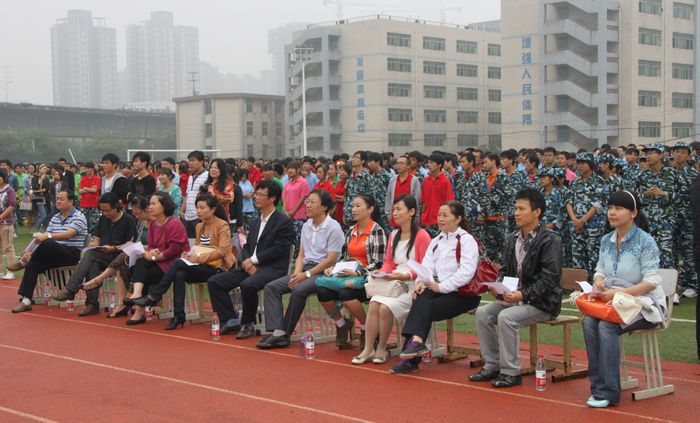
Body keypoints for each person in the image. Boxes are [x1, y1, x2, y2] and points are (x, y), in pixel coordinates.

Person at [470, 188, 562, 388]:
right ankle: (492, 365)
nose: (516, 213)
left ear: (536, 212)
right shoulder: (513, 238)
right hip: (515, 297)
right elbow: (505, 269)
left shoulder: (550, 239)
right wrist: (499, 285)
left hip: (543, 302)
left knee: (506, 317)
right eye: (515, 208)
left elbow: (550, 278)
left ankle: (511, 372)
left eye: (521, 209)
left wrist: (523, 294)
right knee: (483, 314)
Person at [582, 190, 667, 408]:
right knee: (589, 322)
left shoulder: (645, 241)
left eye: (619, 208)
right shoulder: (606, 240)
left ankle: (609, 392)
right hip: (614, 302)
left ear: (633, 213)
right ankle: (598, 387)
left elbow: (651, 281)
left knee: (606, 327)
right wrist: (598, 283)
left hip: (644, 304)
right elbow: (600, 270)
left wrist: (620, 294)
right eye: (610, 208)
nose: (612, 212)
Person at [391, 201, 480, 374]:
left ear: (458, 219)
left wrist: (441, 287)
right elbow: (426, 266)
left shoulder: (466, 240)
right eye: (439, 215)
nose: (440, 219)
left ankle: (411, 357)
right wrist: (420, 282)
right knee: (420, 295)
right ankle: (416, 343)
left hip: (463, 294)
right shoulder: (437, 240)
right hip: (440, 290)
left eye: (445, 215)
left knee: (423, 307)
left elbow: (466, 273)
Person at [257, 189, 345, 349]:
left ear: (324, 207)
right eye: (307, 201)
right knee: (271, 287)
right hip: (305, 269)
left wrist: (306, 274)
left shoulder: (333, 227)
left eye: (312, 202)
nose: (308, 205)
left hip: (324, 272)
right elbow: (301, 255)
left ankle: (284, 334)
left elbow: (331, 259)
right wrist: (297, 273)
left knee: (299, 290)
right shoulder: (306, 225)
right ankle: (278, 331)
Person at [207, 180, 293, 339]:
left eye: (261, 195)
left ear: (272, 198)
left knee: (248, 285)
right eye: (256, 194)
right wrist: (247, 261)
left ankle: (248, 323)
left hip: (272, 268)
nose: (256, 198)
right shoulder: (255, 221)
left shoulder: (284, 222)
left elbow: (279, 249)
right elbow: (247, 246)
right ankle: (230, 320)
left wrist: (253, 260)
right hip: (249, 266)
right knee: (215, 282)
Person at [133, 194, 235, 330]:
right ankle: (179, 315)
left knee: (178, 263)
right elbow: (198, 248)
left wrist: (198, 258)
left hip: (219, 267)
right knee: (179, 274)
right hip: (202, 266)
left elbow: (222, 251)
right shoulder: (199, 226)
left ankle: (155, 295)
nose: (198, 211)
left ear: (212, 209)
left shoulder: (222, 225)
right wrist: (189, 255)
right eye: (197, 208)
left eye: (202, 208)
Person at [353, 195, 431, 365]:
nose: (394, 213)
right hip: (394, 281)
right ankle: (368, 348)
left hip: (414, 284)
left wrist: (407, 275)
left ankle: (381, 347)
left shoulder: (422, 236)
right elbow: (389, 261)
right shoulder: (394, 234)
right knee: (374, 302)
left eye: (399, 209)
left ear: (411, 212)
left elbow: (425, 266)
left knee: (385, 308)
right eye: (394, 209)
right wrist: (382, 273)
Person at [315, 194, 386, 350]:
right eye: (353, 206)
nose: (353, 209)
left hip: (369, 279)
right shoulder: (350, 232)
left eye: (358, 206)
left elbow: (379, 263)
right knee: (321, 290)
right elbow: (344, 257)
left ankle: (367, 328)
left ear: (370, 209)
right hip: (347, 276)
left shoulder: (376, 231)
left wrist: (359, 273)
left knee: (346, 293)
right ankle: (342, 324)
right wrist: (334, 268)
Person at [51, 193, 137, 316]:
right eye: (102, 210)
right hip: (102, 254)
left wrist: (113, 248)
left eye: (107, 210)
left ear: (116, 207)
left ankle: (71, 290)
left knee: (91, 255)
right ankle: (91, 304)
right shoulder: (103, 219)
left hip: (121, 257)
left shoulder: (128, 220)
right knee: (92, 262)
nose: (105, 213)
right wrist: (95, 243)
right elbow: (97, 236)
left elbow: (131, 245)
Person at [11, 190, 88, 313]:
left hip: (70, 254)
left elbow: (69, 234)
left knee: (47, 241)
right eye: (57, 199)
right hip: (52, 253)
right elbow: (44, 237)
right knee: (33, 264)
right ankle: (26, 300)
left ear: (71, 202)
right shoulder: (55, 217)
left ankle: (23, 261)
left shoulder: (79, 216)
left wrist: (48, 236)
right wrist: (33, 247)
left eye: (61, 199)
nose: (58, 201)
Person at [123, 192, 189, 325]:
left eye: (153, 203)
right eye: (150, 204)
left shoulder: (174, 223)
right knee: (140, 263)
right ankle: (137, 295)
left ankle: (139, 310)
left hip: (173, 263)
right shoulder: (154, 224)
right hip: (158, 259)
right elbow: (151, 245)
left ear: (164, 205)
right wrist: (150, 253)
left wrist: (153, 256)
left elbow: (174, 250)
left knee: (144, 274)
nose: (150, 206)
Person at [566, 153, 606, 278]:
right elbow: (569, 201)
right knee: (577, 257)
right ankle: (578, 285)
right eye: (578, 163)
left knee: (593, 257)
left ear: (590, 164)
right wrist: (574, 219)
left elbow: (599, 204)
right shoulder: (575, 182)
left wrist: (583, 220)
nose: (580, 166)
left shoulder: (599, 181)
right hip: (576, 225)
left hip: (593, 225)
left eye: (583, 163)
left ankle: (594, 284)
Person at [420, 153, 455, 238]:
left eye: (432, 163)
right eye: (428, 162)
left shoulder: (445, 181)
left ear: (439, 165)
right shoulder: (426, 181)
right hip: (426, 220)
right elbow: (423, 201)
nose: (429, 165)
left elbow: (449, 202)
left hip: (439, 220)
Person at [385, 155, 421, 228]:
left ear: (408, 166)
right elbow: (388, 197)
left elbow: (416, 200)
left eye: (401, 163)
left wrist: (415, 216)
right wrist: (388, 213)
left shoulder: (414, 180)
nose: (399, 165)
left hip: (408, 219)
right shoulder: (393, 180)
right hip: (394, 217)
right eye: (397, 163)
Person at [282, 161, 310, 254]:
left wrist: (293, 211)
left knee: (299, 239)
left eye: (292, 169)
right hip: (287, 216)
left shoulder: (303, 182)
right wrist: (285, 209)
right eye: (288, 169)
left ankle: (299, 256)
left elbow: (303, 198)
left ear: (298, 170)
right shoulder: (287, 183)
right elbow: (284, 196)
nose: (289, 171)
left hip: (299, 216)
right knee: (289, 238)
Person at [180, 150, 209, 239]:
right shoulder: (190, 177)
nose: (190, 163)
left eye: (193, 160)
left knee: (202, 242)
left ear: (201, 162)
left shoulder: (207, 176)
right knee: (190, 242)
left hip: (199, 217)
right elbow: (188, 195)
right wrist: (181, 211)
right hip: (187, 217)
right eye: (189, 161)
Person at [343, 151, 370, 225]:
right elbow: (346, 196)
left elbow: (370, 198)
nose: (353, 159)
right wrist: (345, 213)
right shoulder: (350, 177)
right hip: (349, 214)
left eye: (356, 157)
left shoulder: (367, 177)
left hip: (361, 215)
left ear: (363, 161)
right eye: (353, 157)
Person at [0, 169, 17, 280]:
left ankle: (11, 270)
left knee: (8, 247)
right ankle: (0, 271)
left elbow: (11, 205)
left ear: (4, 178)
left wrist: (1, 216)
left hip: (6, 223)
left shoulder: (9, 190)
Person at [78, 162, 101, 234]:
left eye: (89, 168)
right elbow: (80, 191)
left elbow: (95, 190)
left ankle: (93, 237)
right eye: (86, 168)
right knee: (83, 222)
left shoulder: (97, 179)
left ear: (93, 169)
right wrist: (90, 189)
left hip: (93, 204)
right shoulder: (83, 179)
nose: (87, 170)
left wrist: (85, 188)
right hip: (83, 204)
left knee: (94, 224)